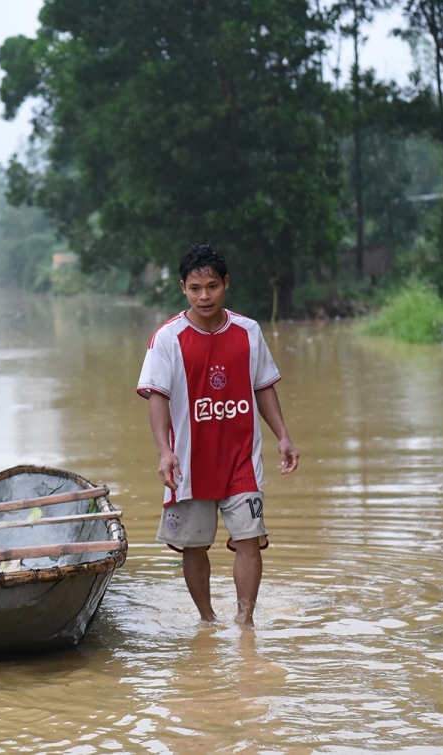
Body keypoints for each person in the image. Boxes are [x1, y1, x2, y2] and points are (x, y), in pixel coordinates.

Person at [136, 244, 298, 627]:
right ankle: (207, 621)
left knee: (249, 540)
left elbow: (263, 388)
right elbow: (156, 397)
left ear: (226, 283)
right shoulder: (168, 338)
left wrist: (283, 437)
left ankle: (245, 623)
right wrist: (164, 452)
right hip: (190, 462)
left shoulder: (248, 331)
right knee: (194, 546)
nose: (204, 296)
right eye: (195, 288)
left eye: (212, 286)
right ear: (183, 288)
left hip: (242, 458)